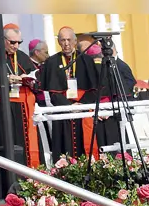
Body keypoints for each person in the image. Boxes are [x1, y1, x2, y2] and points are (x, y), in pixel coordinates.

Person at [0, 24, 42, 168]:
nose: (16, 46)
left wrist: (30, 81)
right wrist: (6, 80)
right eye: (12, 42)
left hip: (25, 108)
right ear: (2, 40)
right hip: (4, 108)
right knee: (7, 145)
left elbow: (37, 81)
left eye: (19, 42)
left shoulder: (22, 57)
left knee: (28, 147)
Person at [38, 27, 101, 160]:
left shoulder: (86, 60)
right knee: (64, 151)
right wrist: (69, 106)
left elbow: (94, 89)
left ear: (75, 41)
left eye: (69, 40)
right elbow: (52, 92)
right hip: (63, 112)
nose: (66, 43)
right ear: (59, 42)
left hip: (83, 112)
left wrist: (80, 105)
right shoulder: (52, 62)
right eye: (63, 40)